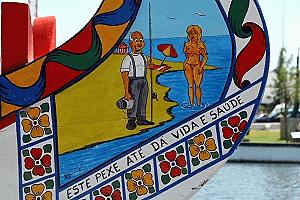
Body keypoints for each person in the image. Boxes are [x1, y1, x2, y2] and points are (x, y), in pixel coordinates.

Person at [120, 31, 155, 130]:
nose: (139, 42)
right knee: (132, 101)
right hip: (133, 82)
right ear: (131, 43)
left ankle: (141, 118)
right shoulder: (128, 58)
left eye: (141, 40)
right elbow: (124, 75)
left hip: (143, 81)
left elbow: (145, 66)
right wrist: (126, 91)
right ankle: (131, 120)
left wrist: (152, 66)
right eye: (136, 40)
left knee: (143, 99)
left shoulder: (143, 56)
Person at [183, 25, 208, 106]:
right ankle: (191, 103)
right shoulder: (187, 45)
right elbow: (187, 57)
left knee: (197, 86)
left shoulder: (201, 45)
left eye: (195, 33)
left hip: (197, 65)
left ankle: (199, 103)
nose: (192, 35)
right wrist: (185, 64)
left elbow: (205, 57)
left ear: (198, 34)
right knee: (190, 86)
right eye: (190, 33)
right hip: (188, 66)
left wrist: (201, 67)